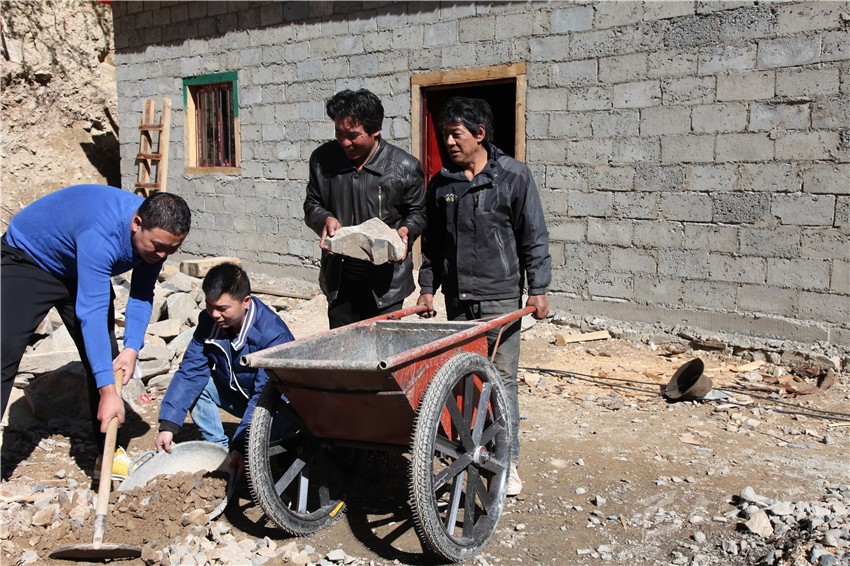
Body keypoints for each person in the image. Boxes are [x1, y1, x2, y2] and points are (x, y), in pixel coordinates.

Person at [416, 97, 552, 497]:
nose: (449, 142)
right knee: (466, 382)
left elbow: (533, 235)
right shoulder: (442, 184)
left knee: (501, 380)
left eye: (456, 134)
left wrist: (538, 289)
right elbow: (433, 244)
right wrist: (427, 288)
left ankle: (507, 464)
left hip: (500, 299)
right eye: (445, 135)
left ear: (479, 134)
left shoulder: (513, 176)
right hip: (459, 301)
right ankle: (470, 454)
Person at [1, 185, 191, 453]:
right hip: (31, 257)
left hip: (78, 264)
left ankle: (107, 453)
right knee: (4, 349)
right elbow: (92, 313)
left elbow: (141, 294)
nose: (161, 256)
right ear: (137, 224)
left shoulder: (157, 240)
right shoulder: (102, 234)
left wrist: (132, 348)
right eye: (158, 247)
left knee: (106, 358)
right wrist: (108, 391)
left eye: (171, 249)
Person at [155, 263, 295, 475]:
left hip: (278, 408)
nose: (214, 314)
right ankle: (219, 453)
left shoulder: (272, 334)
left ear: (246, 302)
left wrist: (242, 443)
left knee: (276, 439)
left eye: (222, 308)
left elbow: (263, 395)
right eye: (209, 306)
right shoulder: (210, 322)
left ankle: (271, 442)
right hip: (242, 394)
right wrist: (168, 424)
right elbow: (191, 371)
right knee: (200, 386)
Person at [304, 88, 426, 328]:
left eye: (353, 135)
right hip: (340, 282)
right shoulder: (323, 160)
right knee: (344, 347)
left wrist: (406, 230)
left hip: (387, 286)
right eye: (339, 133)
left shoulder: (404, 167)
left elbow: (418, 213)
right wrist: (324, 219)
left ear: (375, 130)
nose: (345, 142)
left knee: (383, 347)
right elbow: (312, 203)